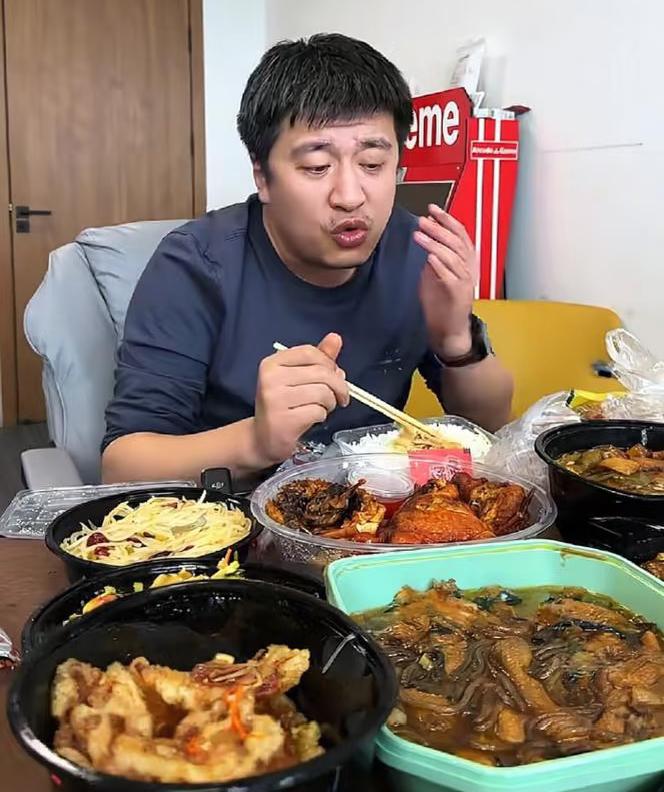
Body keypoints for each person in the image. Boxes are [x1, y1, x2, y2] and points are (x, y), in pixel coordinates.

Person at [101, 33, 513, 485]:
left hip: (375, 510)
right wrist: (256, 440)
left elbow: (489, 426)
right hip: (233, 514)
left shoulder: (416, 251)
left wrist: (456, 340)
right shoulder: (195, 265)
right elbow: (122, 465)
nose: (350, 196)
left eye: (372, 164)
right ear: (263, 176)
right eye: (317, 167)